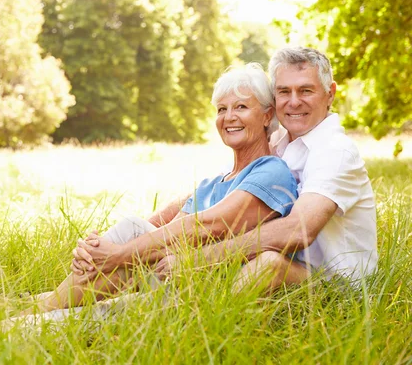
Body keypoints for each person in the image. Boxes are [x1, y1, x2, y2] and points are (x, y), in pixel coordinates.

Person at [24, 63, 299, 315]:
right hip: (168, 280)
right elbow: (165, 238)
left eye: (240, 107)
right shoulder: (211, 186)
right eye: (221, 109)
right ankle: (41, 306)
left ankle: (38, 311)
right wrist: (95, 250)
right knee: (131, 233)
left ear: (267, 116)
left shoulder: (271, 171)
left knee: (90, 310)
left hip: (201, 298)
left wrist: (116, 254)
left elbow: (211, 225)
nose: (229, 117)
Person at [153, 47, 378, 291]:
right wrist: (149, 229)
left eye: (306, 90)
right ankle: (119, 301)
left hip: (335, 285)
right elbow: (218, 188)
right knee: (149, 244)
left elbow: (296, 231)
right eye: (284, 91)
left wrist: (195, 260)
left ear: (330, 94)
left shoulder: (335, 151)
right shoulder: (276, 142)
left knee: (268, 263)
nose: (293, 101)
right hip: (286, 268)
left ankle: (206, 322)